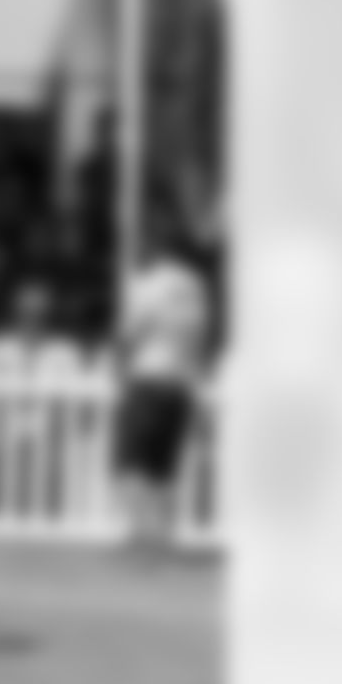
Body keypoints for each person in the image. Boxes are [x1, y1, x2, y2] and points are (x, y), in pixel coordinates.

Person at [114, 227, 211, 558]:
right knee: (164, 467)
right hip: (180, 382)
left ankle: (140, 534)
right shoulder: (194, 287)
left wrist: (119, 367)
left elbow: (131, 331)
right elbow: (199, 338)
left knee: (132, 462)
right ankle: (165, 536)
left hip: (149, 377)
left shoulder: (148, 284)